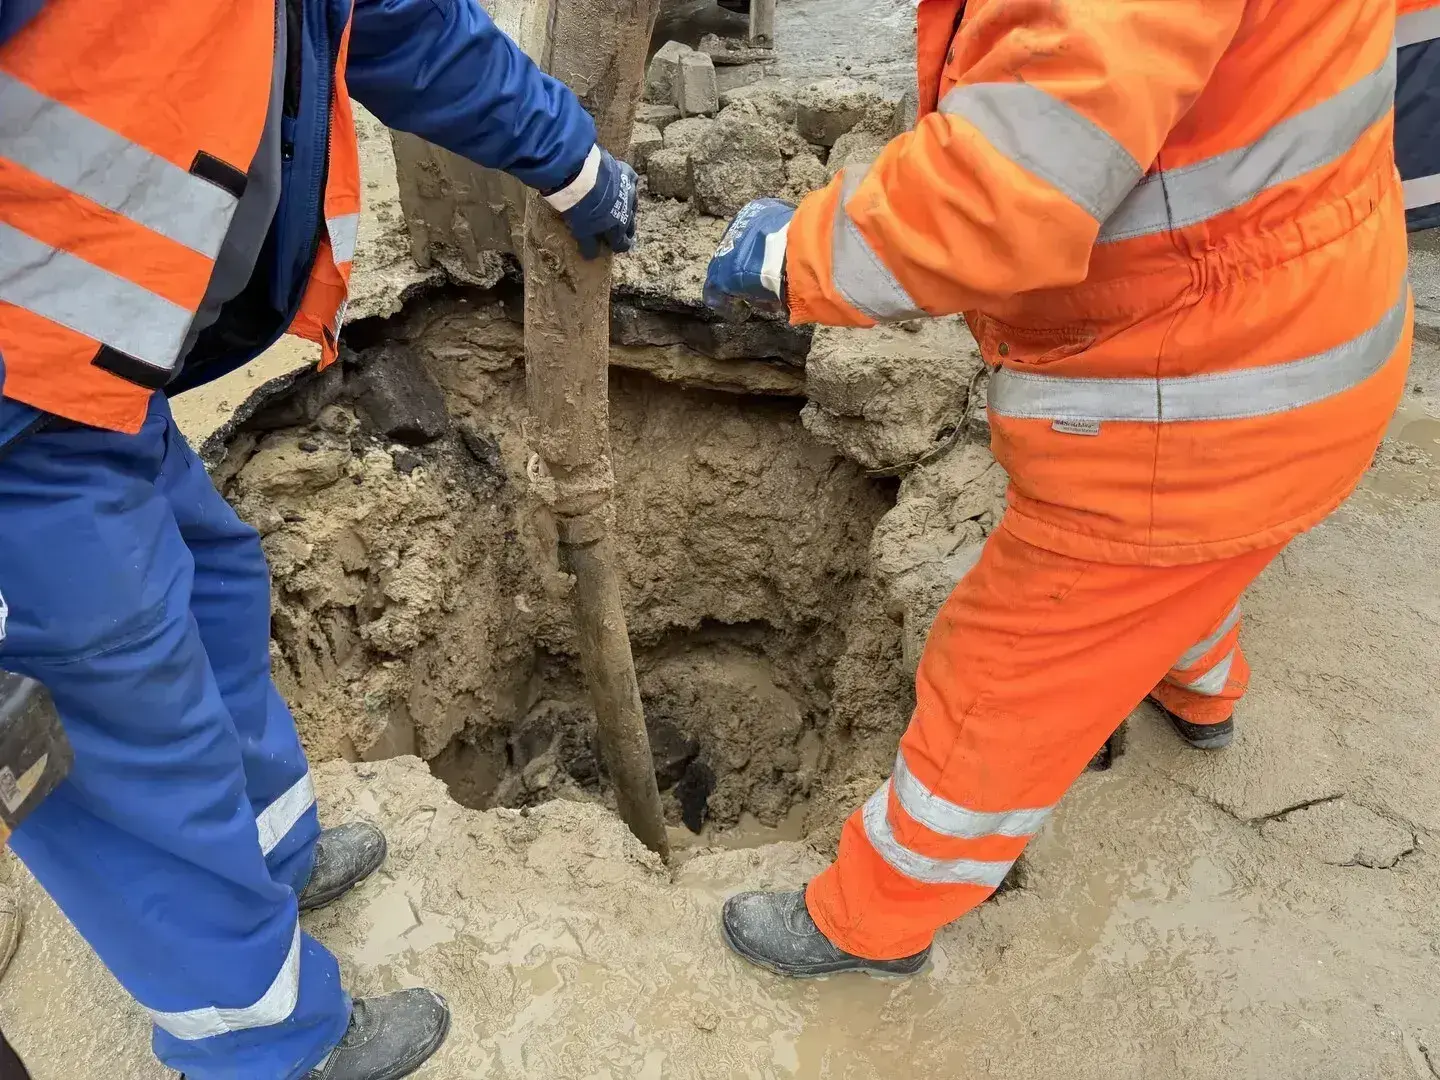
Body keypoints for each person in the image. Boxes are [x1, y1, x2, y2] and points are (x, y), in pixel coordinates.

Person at [704, 0, 1414, 977]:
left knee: (1002, 675)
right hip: (1310, 354)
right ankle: (1201, 700)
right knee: (1183, 576)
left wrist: (795, 254)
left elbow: (1002, 189)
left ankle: (877, 918)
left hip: (1192, 414)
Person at [0, 0, 637, 1077]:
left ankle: (271, 859)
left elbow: (402, 22)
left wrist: (569, 157)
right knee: (121, 738)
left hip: (104, 377)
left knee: (216, 593)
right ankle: (267, 1047)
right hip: (16, 415)